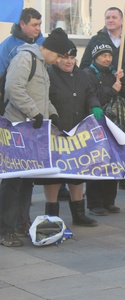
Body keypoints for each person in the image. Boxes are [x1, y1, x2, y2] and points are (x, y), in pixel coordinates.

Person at [0, 28, 70, 247]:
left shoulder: (42, 64)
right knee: (12, 182)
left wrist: (53, 114)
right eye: (59, 56)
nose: (59, 60)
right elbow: (13, 87)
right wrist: (34, 112)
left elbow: (42, 97)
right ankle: (4, 230)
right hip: (18, 129)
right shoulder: (25, 58)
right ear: (49, 49)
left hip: (33, 130)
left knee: (28, 180)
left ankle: (22, 222)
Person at [80, 6, 125, 191]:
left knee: (124, 137)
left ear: (121, 20)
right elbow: (85, 65)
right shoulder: (97, 40)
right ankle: (100, 177)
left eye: (114, 17)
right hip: (102, 98)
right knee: (102, 139)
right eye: (107, 17)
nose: (110, 20)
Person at [34, 40, 101, 227]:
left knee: (77, 174)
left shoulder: (82, 75)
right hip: (55, 131)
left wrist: (94, 105)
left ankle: (79, 214)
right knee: (54, 176)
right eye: (65, 58)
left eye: (72, 58)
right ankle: (51, 214)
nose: (69, 61)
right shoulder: (48, 75)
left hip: (78, 132)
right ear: (57, 59)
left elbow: (89, 93)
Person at [83, 43, 125, 216]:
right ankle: (94, 203)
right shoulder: (88, 74)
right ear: (95, 57)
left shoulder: (115, 73)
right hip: (97, 125)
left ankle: (109, 200)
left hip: (116, 125)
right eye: (103, 56)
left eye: (110, 56)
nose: (107, 59)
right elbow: (92, 98)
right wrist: (112, 90)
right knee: (98, 163)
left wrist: (124, 81)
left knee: (114, 161)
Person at [0, 8, 44, 78]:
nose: (38, 28)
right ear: (22, 24)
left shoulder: (44, 43)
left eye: (39, 24)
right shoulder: (7, 47)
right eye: (34, 25)